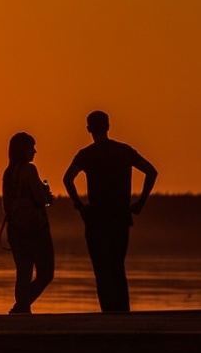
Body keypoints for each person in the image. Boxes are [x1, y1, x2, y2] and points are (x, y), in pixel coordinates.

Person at [62, 110, 158, 312]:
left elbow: (67, 178)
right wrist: (141, 202)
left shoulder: (86, 154)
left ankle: (107, 312)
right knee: (117, 267)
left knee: (101, 269)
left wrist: (79, 205)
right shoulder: (124, 151)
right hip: (120, 217)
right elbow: (151, 171)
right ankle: (122, 312)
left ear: (88, 129)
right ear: (108, 126)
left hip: (96, 217)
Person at [2, 132, 55, 314]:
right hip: (36, 229)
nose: (34, 151)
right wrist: (47, 197)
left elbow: (6, 204)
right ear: (23, 150)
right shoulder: (29, 170)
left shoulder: (8, 173)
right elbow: (41, 200)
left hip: (15, 229)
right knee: (46, 273)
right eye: (31, 147)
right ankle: (21, 306)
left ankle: (22, 307)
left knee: (23, 273)